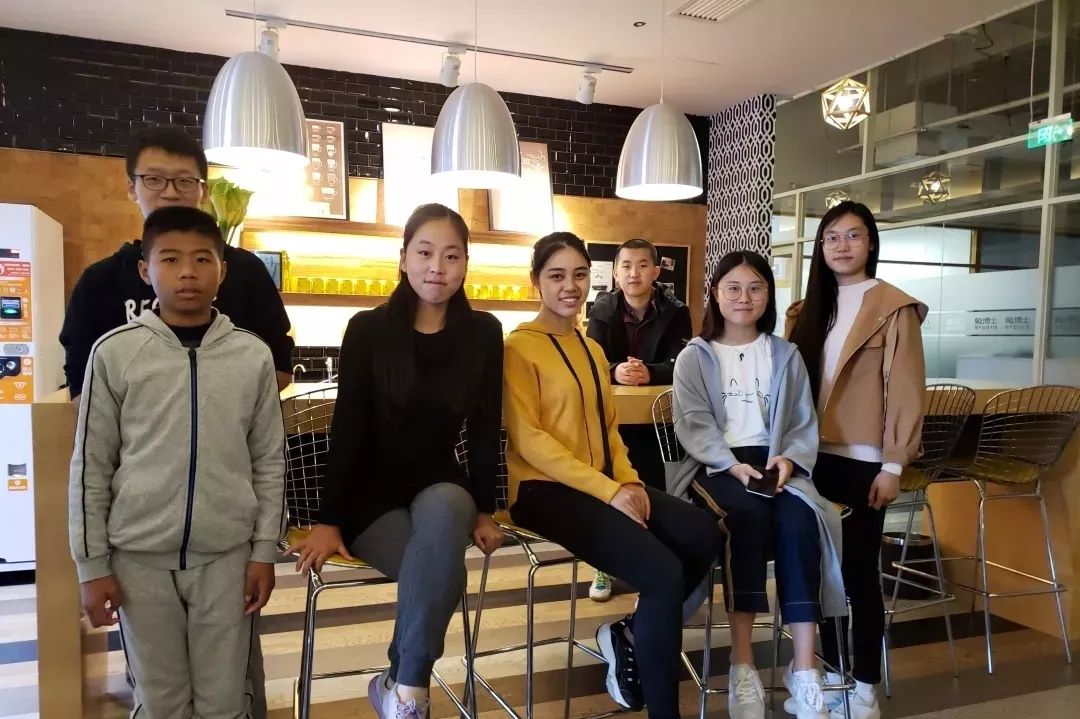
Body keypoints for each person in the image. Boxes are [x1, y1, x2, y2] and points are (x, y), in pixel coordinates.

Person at [287, 203, 504, 719]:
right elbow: (347, 429)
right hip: (371, 498)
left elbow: (484, 428)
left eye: (451, 256)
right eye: (425, 253)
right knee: (440, 573)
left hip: (441, 487)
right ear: (403, 258)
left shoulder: (483, 332)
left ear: (466, 264)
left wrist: (485, 509)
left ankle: (405, 693)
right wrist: (328, 519)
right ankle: (402, 685)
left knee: (448, 509)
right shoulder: (368, 330)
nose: (437, 267)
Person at [68, 206, 286, 718]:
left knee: (224, 700)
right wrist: (91, 565)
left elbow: (269, 461)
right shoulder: (114, 353)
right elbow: (91, 466)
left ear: (222, 270)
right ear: (146, 271)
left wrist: (263, 552)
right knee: (161, 701)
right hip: (137, 559)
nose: (188, 272)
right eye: (170, 259)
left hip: (227, 559)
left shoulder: (252, 356)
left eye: (202, 259)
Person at [503, 231, 720, 719]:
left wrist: (631, 481)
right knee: (663, 573)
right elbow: (530, 440)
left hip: (601, 483)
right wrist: (609, 490)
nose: (570, 286)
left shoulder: (592, 349)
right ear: (536, 281)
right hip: (543, 491)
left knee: (703, 533)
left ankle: (629, 635)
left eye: (579, 274)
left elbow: (609, 430)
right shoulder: (518, 348)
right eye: (557, 276)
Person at [668, 251, 845, 719]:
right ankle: (742, 663)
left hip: (777, 463)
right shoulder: (694, 356)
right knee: (744, 518)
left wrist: (789, 459)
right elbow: (693, 423)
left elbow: (803, 421)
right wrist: (730, 464)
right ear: (715, 293)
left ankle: (803, 670)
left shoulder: (786, 355)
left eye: (755, 288)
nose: (743, 298)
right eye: (733, 288)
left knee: (801, 519)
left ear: (768, 295)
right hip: (716, 467)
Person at [787, 201, 927, 719]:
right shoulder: (804, 311)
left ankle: (865, 686)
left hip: (865, 462)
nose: (842, 245)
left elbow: (906, 389)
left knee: (859, 574)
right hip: (809, 459)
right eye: (832, 237)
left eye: (853, 235)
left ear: (871, 243)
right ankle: (830, 673)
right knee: (819, 573)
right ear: (820, 247)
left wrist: (894, 465)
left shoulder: (894, 307)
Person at [60, 125, 295, 398]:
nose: (170, 193)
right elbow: (82, 383)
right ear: (132, 188)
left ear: (203, 190)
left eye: (184, 181)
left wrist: (214, 410)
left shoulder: (246, 271)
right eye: (154, 179)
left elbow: (279, 366)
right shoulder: (100, 281)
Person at [585, 238, 692, 601]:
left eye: (643, 265)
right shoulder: (602, 308)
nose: (634, 273)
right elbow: (592, 359)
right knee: (609, 488)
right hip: (610, 418)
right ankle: (604, 564)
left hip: (656, 421)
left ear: (656, 271)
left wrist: (650, 372)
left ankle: (651, 562)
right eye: (627, 266)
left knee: (651, 490)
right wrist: (616, 370)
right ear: (616, 273)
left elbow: (683, 362)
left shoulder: (676, 311)